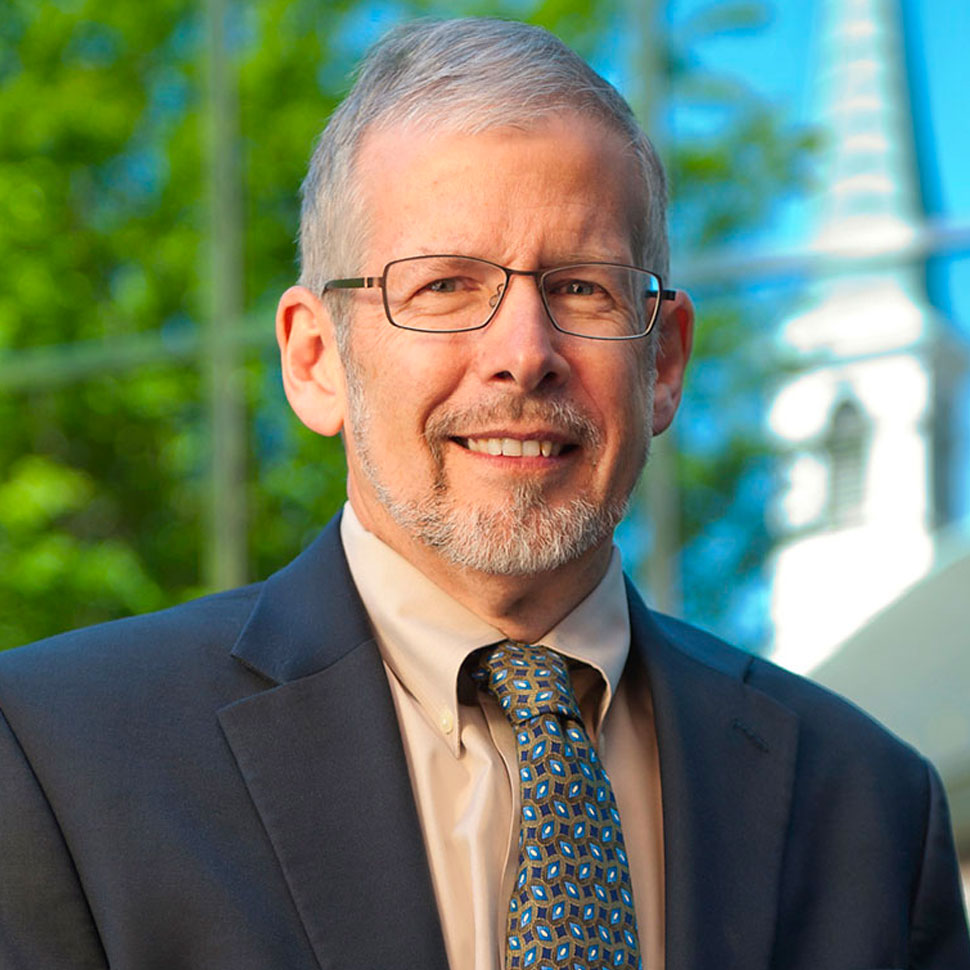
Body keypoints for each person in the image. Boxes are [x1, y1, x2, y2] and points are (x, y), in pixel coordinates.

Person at [0, 17, 967, 970]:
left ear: (664, 363)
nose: (522, 356)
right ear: (316, 362)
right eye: (445, 287)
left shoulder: (871, 813)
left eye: (584, 288)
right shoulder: (59, 765)